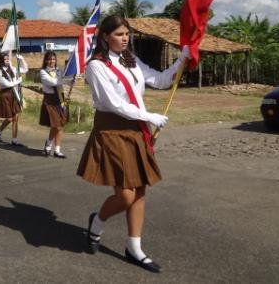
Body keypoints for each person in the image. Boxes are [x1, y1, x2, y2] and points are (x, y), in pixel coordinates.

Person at [77, 15, 192, 273]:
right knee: (126, 194)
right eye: (119, 34)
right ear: (105, 37)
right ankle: (97, 222)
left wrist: (181, 59)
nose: (125, 38)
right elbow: (112, 104)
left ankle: (134, 248)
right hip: (113, 131)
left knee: (140, 190)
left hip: (136, 130)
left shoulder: (132, 60)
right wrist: (149, 116)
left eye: (127, 33)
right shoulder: (96, 66)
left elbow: (161, 81)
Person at [0, 52, 28, 146]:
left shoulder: (12, 68)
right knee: (9, 118)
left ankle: (14, 139)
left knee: (16, 117)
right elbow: (7, 84)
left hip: (14, 94)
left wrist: (21, 59)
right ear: (1, 61)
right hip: (6, 95)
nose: (7, 61)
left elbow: (25, 70)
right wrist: (18, 81)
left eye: (8, 59)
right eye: (5, 59)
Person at [39, 51, 67, 158]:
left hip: (60, 99)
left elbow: (63, 82)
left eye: (54, 59)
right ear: (46, 60)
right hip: (50, 100)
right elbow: (53, 82)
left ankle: (57, 150)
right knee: (56, 125)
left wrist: (71, 79)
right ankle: (49, 142)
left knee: (60, 126)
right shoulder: (43, 72)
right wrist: (65, 79)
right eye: (50, 59)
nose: (52, 61)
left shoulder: (59, 71)